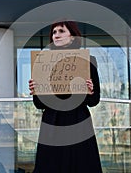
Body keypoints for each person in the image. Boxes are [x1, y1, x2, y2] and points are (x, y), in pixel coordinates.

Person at [29, 20, 102, 173]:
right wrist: (35, 89)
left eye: (61, 31)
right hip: (52, 123)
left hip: (78, 122)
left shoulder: (88, 61)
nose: (56, 35)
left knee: (80, 165)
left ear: (73, 36)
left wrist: (90, 90)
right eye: (54, 32)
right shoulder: (43, 62)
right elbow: (39, 104)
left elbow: (94, 101)